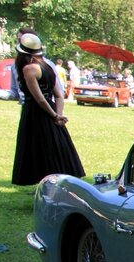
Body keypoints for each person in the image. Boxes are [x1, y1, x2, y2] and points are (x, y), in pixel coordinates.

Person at [11, 34, 84, 186]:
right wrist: (58, 115)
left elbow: (38, 99)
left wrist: (54, 115)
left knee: (37, 149)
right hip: (50, 111)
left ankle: (45, 185)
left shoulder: (28, 69)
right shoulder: (47, 67)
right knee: (53, 148)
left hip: (35, 113)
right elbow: (58, 95)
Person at [9, 28, 62, 103]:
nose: (19, 44)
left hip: (46, 108)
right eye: (18, 40)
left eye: (23, 41)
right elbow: (14, 93)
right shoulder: (15, 66)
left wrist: (55, 114)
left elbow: (59, 93)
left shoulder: (47, 65)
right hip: (27, 109)